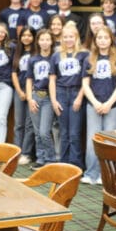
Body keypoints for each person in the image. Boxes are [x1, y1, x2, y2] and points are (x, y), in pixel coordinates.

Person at [82, 25, 116, 184]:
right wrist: (95, 102)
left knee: (109, 141)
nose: (102, 40)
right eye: (99, 37)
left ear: (111, 40)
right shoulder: (89, 59)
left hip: (113, 106)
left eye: (105, 37)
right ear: (95, 40)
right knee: (92, 140)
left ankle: (106, 175)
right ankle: (91, 174)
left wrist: (108, 103)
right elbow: (85, 84)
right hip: (93, 105)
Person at [50, 23, 88, 168]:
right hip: (61, 93)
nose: (68, 39)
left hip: (76, 92)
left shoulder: (84, 54)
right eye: (65, 37)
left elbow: (86, 80)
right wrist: (54, 100)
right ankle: (63, 164)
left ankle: (75, 164)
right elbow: (52, 79)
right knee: (64, 132)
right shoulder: (56, 55)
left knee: (74, 133)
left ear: (76, 37)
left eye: (71, 36)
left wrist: (79, 97)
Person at [27, 29, 55, 167]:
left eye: (47, 39)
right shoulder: (33, 59)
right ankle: (40, 159)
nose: (44, 42)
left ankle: (50, 158)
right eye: (42, 39)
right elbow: (29, 80)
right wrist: (30, 99)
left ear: (51, 41)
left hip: (49, 97)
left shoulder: (55, 58)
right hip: (36, 96)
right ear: (38, 41)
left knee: (45, 131)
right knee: (37, 132)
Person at [12, 26, 37, 165]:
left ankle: (26, 153)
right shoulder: (17, 52)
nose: (26, 38)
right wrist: (20, 91)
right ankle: (17, 151)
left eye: (29, 35)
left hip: (33, 91)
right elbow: (13, 72)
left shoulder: (36, 53)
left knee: (30, 124)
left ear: (33, 37)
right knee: (18, 124)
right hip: (19, 90)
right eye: (24, 35)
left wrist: (28, 92)